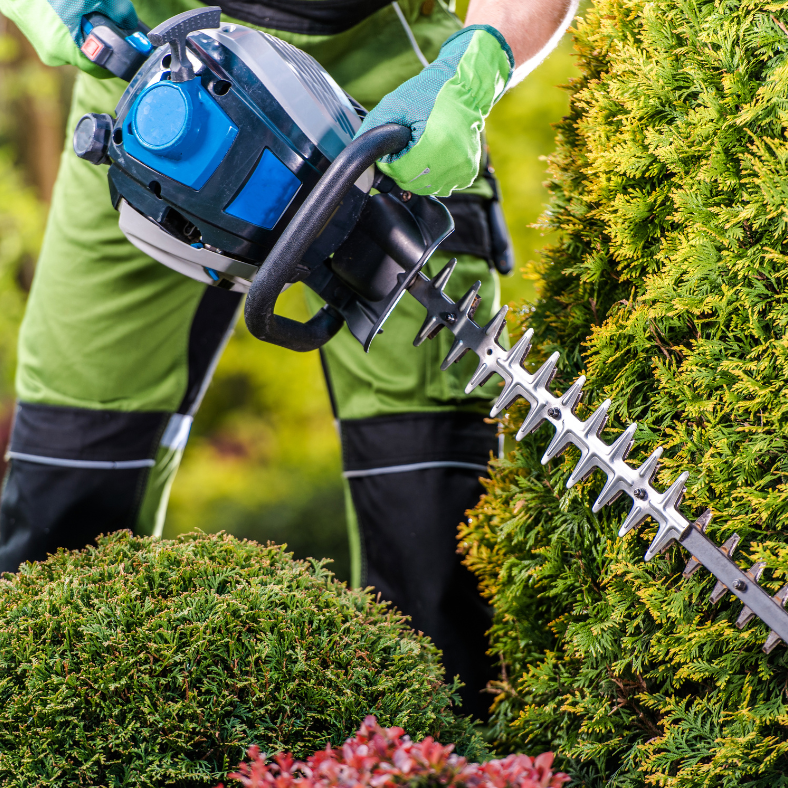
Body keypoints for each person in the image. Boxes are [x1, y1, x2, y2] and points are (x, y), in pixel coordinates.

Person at [0, 0, 575, 719]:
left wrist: (479, 61)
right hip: (154, 87)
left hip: (386, 80)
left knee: (434, 515)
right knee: (64, 482)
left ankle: (448, 753)